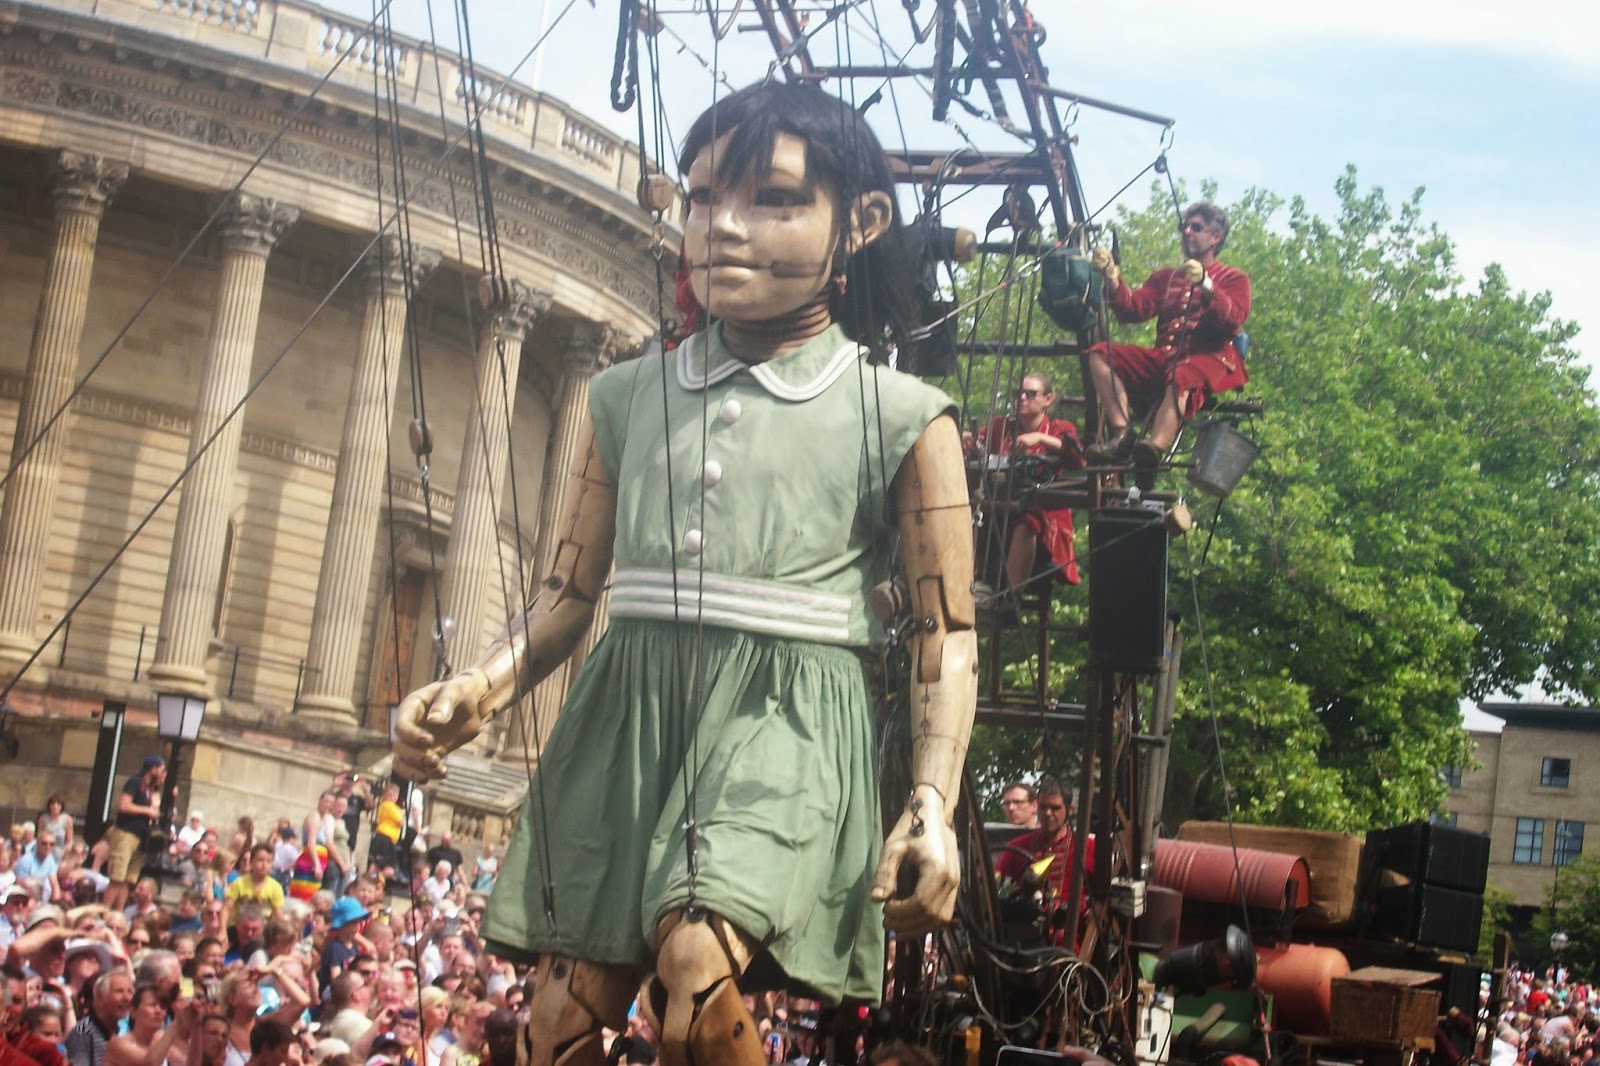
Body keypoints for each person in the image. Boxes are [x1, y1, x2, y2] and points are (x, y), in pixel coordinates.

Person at [393, 80, 977, 1066]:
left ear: (863, 222)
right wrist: (478, 687)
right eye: (703, 198)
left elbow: (945, 634)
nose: (724, 227)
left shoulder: (904, 415)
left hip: (785, 714)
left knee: (696, 963)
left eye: (773, 199)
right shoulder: (624, 397)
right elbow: (565, 594)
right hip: (627, 713)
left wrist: (932, 801)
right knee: (554, 1028)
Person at [1083, 201, 1251, 470]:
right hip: (1165, 358)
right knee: (1100, 354)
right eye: (1184, 227)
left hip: (1208, 359)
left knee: (1182, 375)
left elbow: (1233, 319)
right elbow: (1134, 309)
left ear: (1215, 238)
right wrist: (1112, 277)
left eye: (1196, 227)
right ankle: (1123, 435)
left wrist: (1207, 285)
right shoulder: (1166, 278)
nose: (1187, 232)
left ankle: (1153, 450)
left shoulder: (1234, 278)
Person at [964, 371, 1083, 607]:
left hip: (1043, 515)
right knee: (970, 514)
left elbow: (1077, 457)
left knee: (1029, 520)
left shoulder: (1059, 428)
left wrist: (1039, 438)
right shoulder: (1001, 426)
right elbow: (978, 442)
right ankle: (967, 586)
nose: (1022, 398)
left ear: (1048, 399)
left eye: (1030, 393)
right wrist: (967, 439)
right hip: (999, 511)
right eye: (1018, 393)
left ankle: (1012, 599)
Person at [992, 780, 1094, 935]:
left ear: (1070, 810)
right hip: (1021, 936)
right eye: (1043, 807)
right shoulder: (1017, 846)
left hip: (1069, 939)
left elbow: (1100, 900)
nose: (1048, 813)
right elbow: (998, 889)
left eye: (1055, 808)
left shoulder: (1088, 847)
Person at [98, 757, 165, 914]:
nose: (163, 774)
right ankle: (103, 912)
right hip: (126, 833)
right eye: (161, 770)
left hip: (140, 837)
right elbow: (124, 805)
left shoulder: (150, 790)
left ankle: (118, 913)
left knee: (128, 880)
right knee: (117, 877)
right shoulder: (134, 782)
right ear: (153, 769)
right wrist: (147, 810)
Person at [64, 971, 132, 1066]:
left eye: (130, 992)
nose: (127, 998)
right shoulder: (83, 1033)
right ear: (99, 997)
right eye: (119, 991)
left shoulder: (126, 1031)